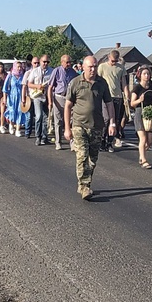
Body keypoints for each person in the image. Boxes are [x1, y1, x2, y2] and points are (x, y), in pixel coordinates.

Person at [64, 56, 115, 200]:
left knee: (93, 159)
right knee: (82, 155)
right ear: (83, 67)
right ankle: (84, 186)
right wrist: (67, 128)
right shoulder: (76, 82)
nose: (93, 69)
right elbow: (68, 106)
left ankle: (85, 183)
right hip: (79, 124)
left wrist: (112, 123)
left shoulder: (102, 83)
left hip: (96, 126)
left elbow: (109, 103)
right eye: (90, 67)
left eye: (95, 66)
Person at [97, 50, 130, 152]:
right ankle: (102, 140)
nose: (114, 63)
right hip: (105, 96)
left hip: (117, 96)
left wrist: (127, 94)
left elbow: (123, 82)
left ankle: (109, 142)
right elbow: (98, 80)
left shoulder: (121, 68)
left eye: (115, 61)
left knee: (115, 120)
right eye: (112, 61)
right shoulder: (102, 67)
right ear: (108, 57)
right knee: (107, 119)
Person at [48, 54, 79, 150]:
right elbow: (50, 87)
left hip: (69, 98)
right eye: (67, 62)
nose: (69, 64)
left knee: (71, 120)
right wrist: (50, 101)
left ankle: (72, 142)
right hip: (59, 97)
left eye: (70, 62)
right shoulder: (56, 71)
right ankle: (58, 142)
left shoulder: (73, 72)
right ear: (62, 62)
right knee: (58, 121)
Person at [130, 66, 152, 169]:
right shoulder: (137, 88)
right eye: (144, 74)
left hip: (150, 113)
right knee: (143, 138)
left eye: (148, 74)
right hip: (139, 112)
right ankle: (144, 160)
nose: (146, 76)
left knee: (149, 141)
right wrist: (139, 100)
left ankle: (141, 155)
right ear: (140, 76)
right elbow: (132, 103)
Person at [28, 54, 54, 146]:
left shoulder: (51, 71)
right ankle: (38, 136)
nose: (45, 63)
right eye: (44, 62)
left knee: (46, 118)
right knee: (39, 116)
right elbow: (29, 84)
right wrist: (37, 86)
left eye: (47, 62)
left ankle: (44, 137)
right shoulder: (35, 71)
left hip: (46, 96)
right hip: (37, 96)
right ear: (40, 62)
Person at [3, 61, 27, 137]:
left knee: (20, 111)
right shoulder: (10, 76)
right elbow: (5, 88)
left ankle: (18, 129)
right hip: (11, 97)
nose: (19, 68)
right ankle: (11, 124)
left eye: (20, 67)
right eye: (18, 67)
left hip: (20, 97)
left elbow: (24, 87)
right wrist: (4, 98)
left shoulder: (22, 76)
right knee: (12, 111)